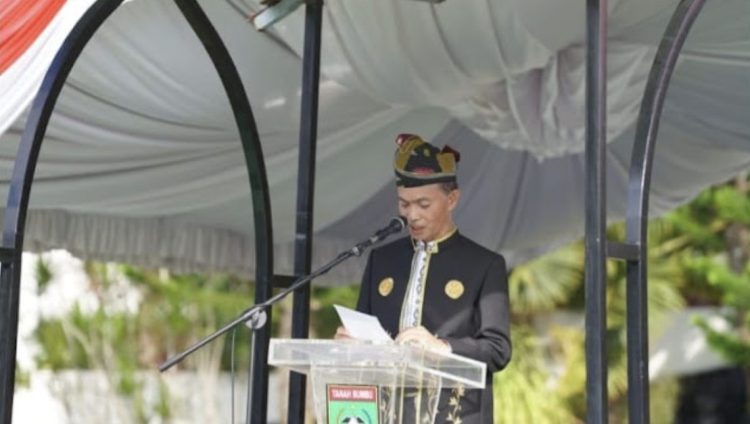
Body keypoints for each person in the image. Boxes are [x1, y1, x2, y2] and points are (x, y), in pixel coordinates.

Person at [336, 133, 512, 423]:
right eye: (404, 204)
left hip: (452, 413)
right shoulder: (382, 259)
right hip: (386, 412)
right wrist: (349, 345)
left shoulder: (485, 264)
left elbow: (498, 349)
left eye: (423, 204)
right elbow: (364, 331)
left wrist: (441, 348)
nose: (412, 215)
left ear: (452, 199)